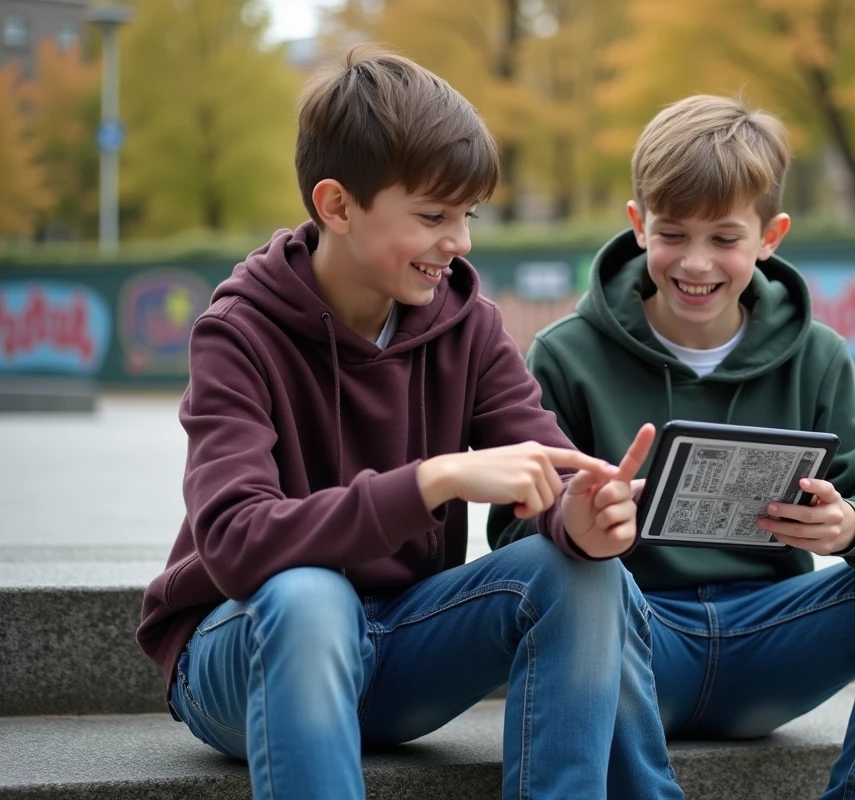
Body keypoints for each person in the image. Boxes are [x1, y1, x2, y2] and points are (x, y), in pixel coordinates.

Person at [134, 47, 683, 800]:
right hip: (243, 656)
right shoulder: (237, 331)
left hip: (398, 650)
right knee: (309, 595)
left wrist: (583, 517)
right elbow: (235, 543)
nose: (457, 242)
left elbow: (550, 465)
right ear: (336, 206)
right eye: (432, 216)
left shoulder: (467, 323)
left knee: (586, 576)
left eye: (466, 216)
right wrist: (433, 479)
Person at [489, 94, 855, 799]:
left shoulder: (819, 355)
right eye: (672, 234)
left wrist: (849, 524)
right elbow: (512, 535)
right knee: (587, 587)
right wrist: (577, 524)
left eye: (725, 238)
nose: (696, 263)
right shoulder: (565, 356)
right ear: (637, 225)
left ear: (770, 235)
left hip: (773, 638)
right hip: (634, 643)